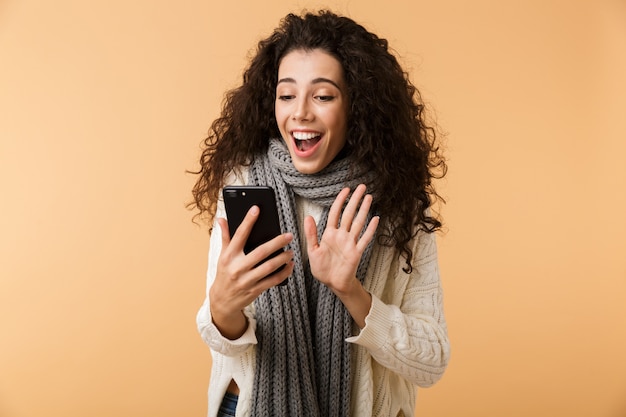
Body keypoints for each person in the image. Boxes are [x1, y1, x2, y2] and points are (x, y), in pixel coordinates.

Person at [191, 10, 450, 417]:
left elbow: (432, 361)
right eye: (287, 94)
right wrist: (223, 305)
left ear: (357, 107)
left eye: (323, 96)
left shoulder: (397, 203)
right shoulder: (246, 184)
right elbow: (222, 342)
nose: (301, 113)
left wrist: (352, 292)